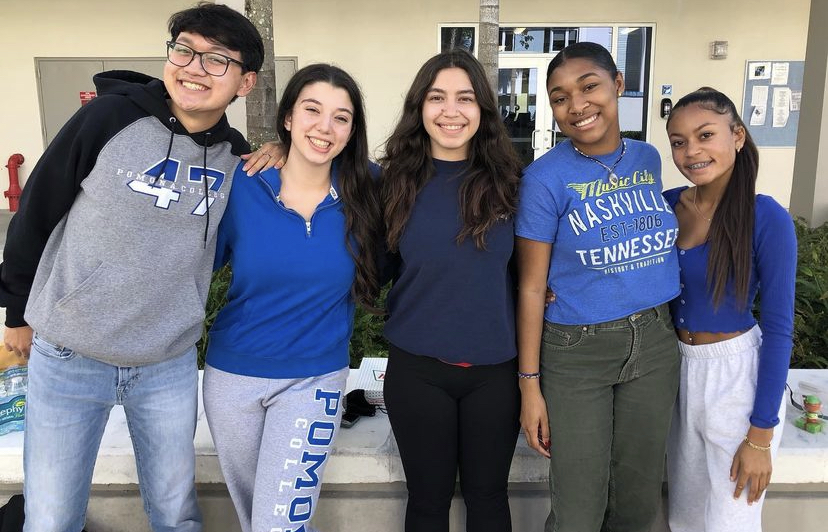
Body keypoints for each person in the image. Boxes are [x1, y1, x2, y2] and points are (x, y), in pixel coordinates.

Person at [0, 4, 262, 531]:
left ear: (246, 82)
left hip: (166, 363)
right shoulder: (108, 118)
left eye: (216, 60)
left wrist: (279, 153)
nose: (193, 68)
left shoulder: (236, 158)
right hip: (70, 354)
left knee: (174, 515)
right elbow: (36, 211)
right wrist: (16, 314)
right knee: (50, 519)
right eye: (184, 50)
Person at [202, 63, 380, 532]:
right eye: (312, 110)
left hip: (313, 378)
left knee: (277, 523)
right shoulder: (242, 184)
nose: (324, 127)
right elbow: (190, 267)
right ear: (287, 118)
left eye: (341, 117)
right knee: (257, 516)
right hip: (231, 377)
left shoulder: (368, 188)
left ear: (352, 130)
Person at [515, 41, 681, 532]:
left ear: (619, 86)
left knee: (637, 498)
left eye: (589, 87)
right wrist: (529, 387)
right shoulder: (544, 179)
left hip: (654, 342)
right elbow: (530, 287)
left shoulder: (649, 158)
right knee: (578, 510)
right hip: (576, 351)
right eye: (560, 97)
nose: (577, 105)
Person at [380, 49, 523, 532]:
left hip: (495, 374)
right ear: (419, 107)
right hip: (417, 370)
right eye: (437, 97)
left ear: (482, 109)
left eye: (465, 98)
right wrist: (275, 147)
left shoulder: (513, 185)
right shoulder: (390, 182)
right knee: (426, 501)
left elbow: (533, 278)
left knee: (488, 499)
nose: (451, 110)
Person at [663, 88, 796, 532]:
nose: (691, 151)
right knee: (684, 516)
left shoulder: (766, 217)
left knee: (730, 521)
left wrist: (760, 435)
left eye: (705, 135)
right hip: (677, 373)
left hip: (736, 377)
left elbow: (779, 329)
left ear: (737, 136)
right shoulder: (666, 206)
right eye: (678, 141)